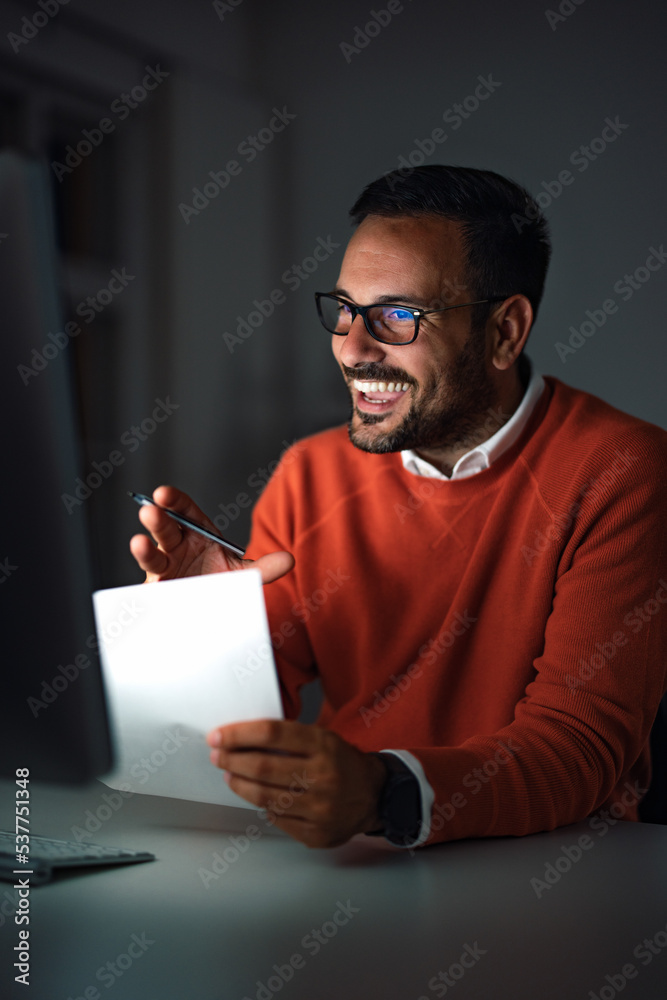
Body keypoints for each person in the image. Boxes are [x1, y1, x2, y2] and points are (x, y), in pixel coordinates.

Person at [130, 165, 667, 850]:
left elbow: (579, 751)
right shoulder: (309, 473)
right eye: (346, 309)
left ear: (504, 331)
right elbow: (236, 742)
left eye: (396, 317)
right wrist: (198, 631)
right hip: (345, 858)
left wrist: (383, 795)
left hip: (554, 875)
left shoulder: (623, 470)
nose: (351, 348)